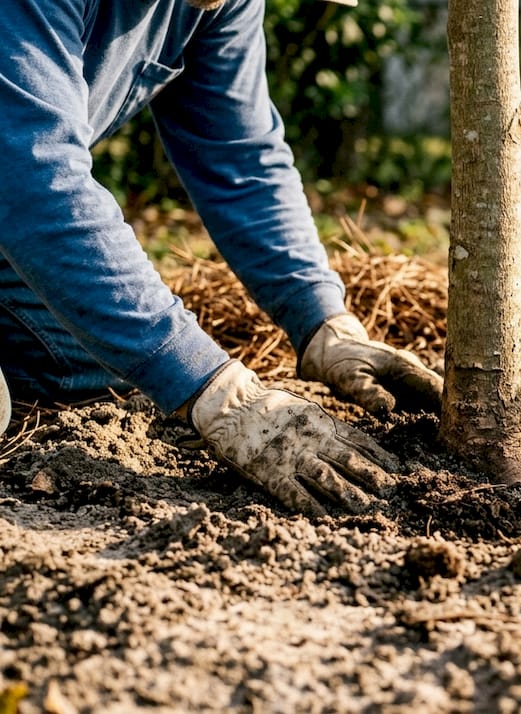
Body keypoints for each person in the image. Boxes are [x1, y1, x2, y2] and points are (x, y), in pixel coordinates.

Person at [0, 0, 443, 516]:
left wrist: (324, 322)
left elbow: (240, 155)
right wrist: (220, 394)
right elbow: (34, 172)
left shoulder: (217, 4)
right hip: (18, 195)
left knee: (116, 376)